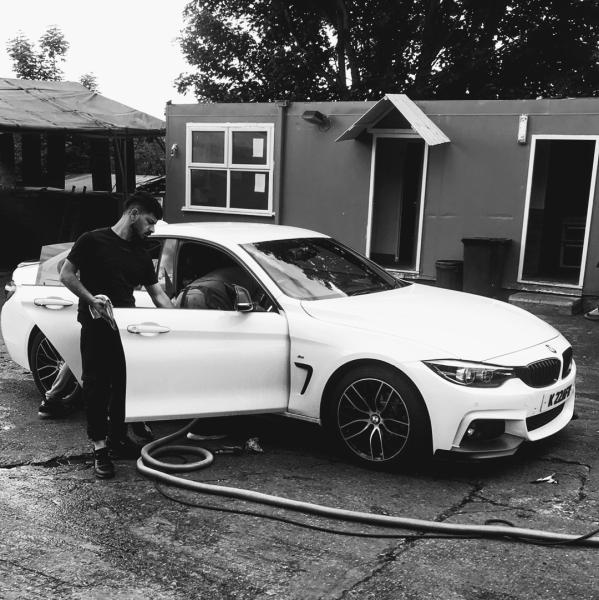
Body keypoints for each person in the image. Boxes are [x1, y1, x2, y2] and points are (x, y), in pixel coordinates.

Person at [60, 192, 172, 479]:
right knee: (97, 387)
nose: (152, 229)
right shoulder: (92, 240)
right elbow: (67, 274)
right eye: (149, 221)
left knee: (124, 385)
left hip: (126, 329)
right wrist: (90, 299)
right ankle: (100, 449)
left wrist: (180, 320)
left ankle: (119, 439)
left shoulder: (140, 253)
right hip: (96, 327)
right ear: (133, 214)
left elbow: (157, 292)